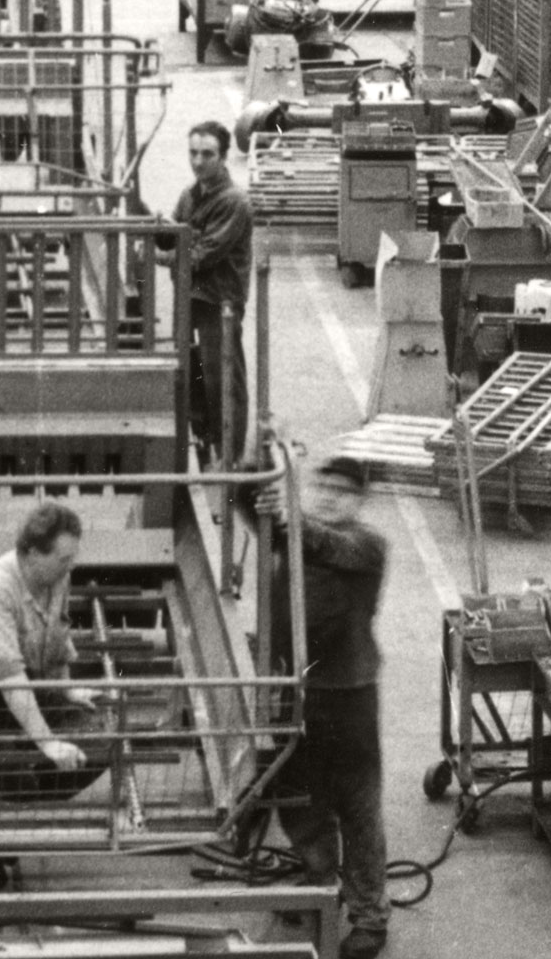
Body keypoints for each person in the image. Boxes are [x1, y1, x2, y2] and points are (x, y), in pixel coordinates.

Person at [255, 456, 390, 959]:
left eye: (344, 490)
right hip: (300, 694)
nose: (332, 496)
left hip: (350, 696)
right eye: (323, 486)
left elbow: (323, 542)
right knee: (303, 802)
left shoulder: (366, 546)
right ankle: (319, 886)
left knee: (358, 808)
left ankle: (370, 916)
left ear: (360, 500)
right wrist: (261, 470)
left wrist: (291, 516)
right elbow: (260, 514)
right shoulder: (297, 532)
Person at [0, 502, 110, 802]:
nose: (71, 566)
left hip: (27, 691)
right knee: (24, 785)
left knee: (106, 742)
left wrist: (67, 690)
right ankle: (14, 804)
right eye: (63, 559)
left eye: (73, 558)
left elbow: (57, 638)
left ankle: (4, 803)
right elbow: (9, 679)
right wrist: (48, 743)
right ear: (32, 554)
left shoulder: (58, 578)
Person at [156, 120, 253, 468]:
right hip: (190, 295)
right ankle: (206, 438)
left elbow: (201, 254)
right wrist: (160, 231)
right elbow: (180, 236)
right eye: (193, 153)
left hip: (218, 301)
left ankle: (232, 455)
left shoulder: (234, 202)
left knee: (224, 378)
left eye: (207, 154)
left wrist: (160, 254)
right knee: (191, 370)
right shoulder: (191, 193)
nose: (198, 162)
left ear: (224, 157)